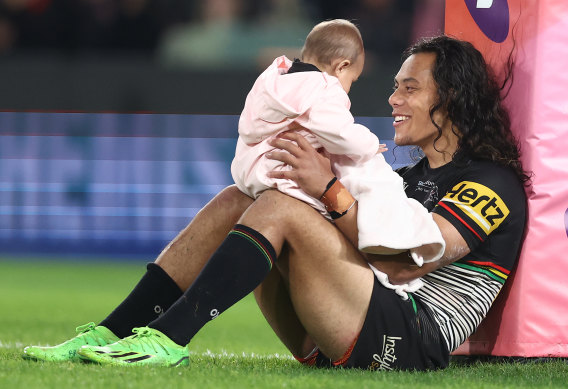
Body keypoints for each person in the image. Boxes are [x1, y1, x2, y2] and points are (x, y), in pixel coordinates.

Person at [23, 35, 529, 371]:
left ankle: (169, 337)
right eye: (394, 87)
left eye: (410, 88)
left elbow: (416, 260)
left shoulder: (493, 182)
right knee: (240, 198)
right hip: (345, 324)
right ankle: (115, 332)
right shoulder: (409, 176)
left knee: (282, 210)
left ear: (455, 98)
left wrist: (328, 190)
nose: (393, 100)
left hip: (408, 340)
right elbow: (361, 237)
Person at [232, 18, 445, 269]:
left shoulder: (273, 79)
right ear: (341, 67)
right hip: (287, 178)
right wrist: (369, 144)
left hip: (251, 172)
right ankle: (391, 235)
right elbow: (341, 133)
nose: (348, 89)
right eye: (352, 80)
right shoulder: (324, 87)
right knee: (369, 168)